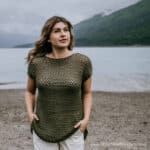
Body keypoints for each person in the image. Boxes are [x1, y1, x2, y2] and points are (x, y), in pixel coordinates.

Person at [25, 16, 93, 150]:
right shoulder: (37, 63)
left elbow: (87, 93)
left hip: (74, 128)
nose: (63, 34)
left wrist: (86, 119)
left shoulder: (82, 62)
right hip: (42, 128)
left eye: (66, 30)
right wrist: (30, 115)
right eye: (57, 31)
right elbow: (29, 91)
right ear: (48, 38)